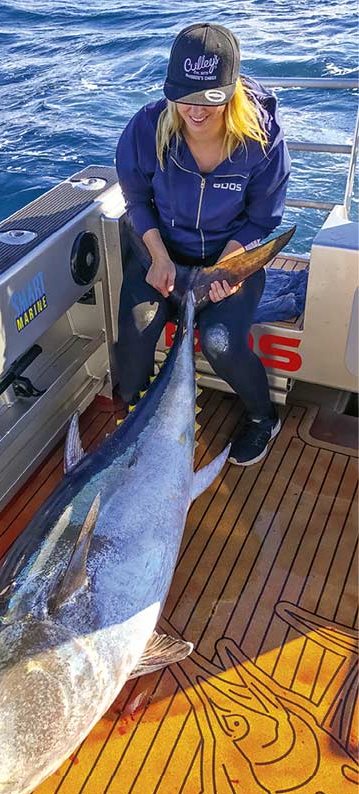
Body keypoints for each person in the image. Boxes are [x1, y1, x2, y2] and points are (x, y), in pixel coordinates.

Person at [115, 22, 291, 467]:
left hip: (227, 260)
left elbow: (263, 218)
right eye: (185, 97)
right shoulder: (146, 128)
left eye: (210, 99)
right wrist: (158, 256)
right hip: (162, 255)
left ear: (230, 92)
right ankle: (136, 421)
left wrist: (226, 268)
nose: (195, 111)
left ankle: (261, 417)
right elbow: (135, 198)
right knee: (136, 334)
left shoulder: (262, 139)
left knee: (219, 341)